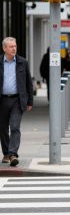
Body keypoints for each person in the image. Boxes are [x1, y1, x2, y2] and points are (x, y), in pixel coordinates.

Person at [0, 37, 33, 167]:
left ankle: (13, 153)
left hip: (17, 100)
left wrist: (30, 101)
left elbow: (28, 83)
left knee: (14, 127)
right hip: (2, 100)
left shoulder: (22, 62)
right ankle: (6, 153)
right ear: (4, 48)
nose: (14, 48)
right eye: (11, 46)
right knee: (2, 128)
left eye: (15, 46)